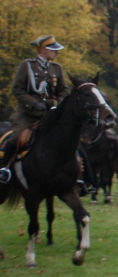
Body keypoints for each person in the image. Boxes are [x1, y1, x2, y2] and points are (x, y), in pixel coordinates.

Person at [0, 35, 73, 185]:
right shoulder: (27, 66)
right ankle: (4, 169)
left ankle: (78, 174)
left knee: (70, 136)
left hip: (50, 113)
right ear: (43, 50)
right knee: (16, 138)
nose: (57, 53)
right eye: (54, 50)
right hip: (27, 113)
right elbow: (18, 90)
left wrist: (57, 104)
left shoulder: (57, 68)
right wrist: (33, 103)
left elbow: (63, 91)